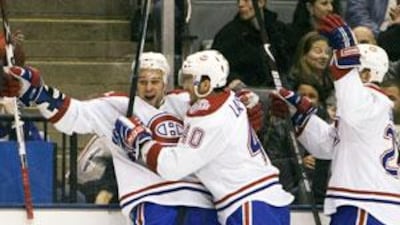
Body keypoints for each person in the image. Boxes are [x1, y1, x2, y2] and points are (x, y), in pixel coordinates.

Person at [0, 51, 263, 224]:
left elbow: (227, 102)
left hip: (201, 202)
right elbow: (72, 115)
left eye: (155, 81)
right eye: (142, 81)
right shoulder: (116, 107)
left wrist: (247, 107)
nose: (148, 88)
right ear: (134, 81)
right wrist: (36, 92)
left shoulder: (187, 102)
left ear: (166, 80)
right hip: (152, 203)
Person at [112, 50, 294, 225]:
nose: (184, 86)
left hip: (250, 203)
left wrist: (141, 141)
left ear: (206, 84)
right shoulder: (228, 98)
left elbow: (173, 167)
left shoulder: (208, 117)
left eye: (190, 79)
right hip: (261, 200)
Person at [275, 14, 399, 224]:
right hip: (365, 202)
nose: (339, 77)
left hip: (367, 204)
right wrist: (301, 114)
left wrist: (346, 53)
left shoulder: (373, 100)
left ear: (367, 73)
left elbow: (351, 109)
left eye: (354, 69)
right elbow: (328, 145)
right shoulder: (367, 110)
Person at [211, 0, 295, 88]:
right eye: (238, 1)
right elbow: (217, 66)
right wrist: (232, 79)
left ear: (261, 2)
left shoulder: (280, 31)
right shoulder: (228, 35)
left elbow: (292, 62)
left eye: (246, 1)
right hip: (244, 93)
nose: (240, 5)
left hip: (281, 91)